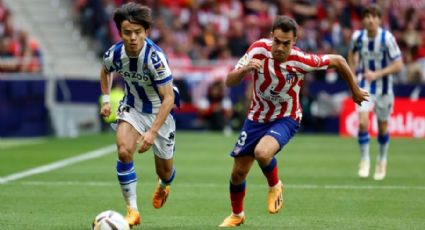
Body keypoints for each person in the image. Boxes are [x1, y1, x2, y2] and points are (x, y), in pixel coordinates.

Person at [219, 15, 368, 227]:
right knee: (237, 173)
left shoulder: (301, 60)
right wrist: (245, 69)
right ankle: (237, 215)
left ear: (294, 41)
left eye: (286, 43)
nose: (280, 48)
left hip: (286, 117)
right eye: (277, 41)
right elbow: (229, 81)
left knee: (262, 152)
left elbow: (339, 61)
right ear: (271, 36)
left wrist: (354, 90)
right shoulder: (258, 49)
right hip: (256, 117)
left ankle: (275, 185)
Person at [99, 2, 178, 227]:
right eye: (127, 33)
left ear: (146, 32)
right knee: (124, 151)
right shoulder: (115, 53)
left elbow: (169, 98)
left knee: (165, 171)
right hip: (132, 107)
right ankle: (132, 210)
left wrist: (152, 132)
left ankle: (164, 185)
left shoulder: (155, 58)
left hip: (159, 112)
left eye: (138, 32)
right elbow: (105, 71)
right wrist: (106, 100)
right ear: (120, 32)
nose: (133, 38)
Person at [348, 4, 403, 181]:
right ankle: (364, 160)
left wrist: (377, 74)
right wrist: (352, 73)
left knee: (382, 127)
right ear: (363, 19)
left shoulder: (387, 38)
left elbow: (398, 64)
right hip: (365, 85)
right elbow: (351, 54)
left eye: (374, 16)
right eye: (367, 16)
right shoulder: (358, 37)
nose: (370, 20)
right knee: (363, 123)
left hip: (384, 88)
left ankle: (382, 160)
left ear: (380, 19)